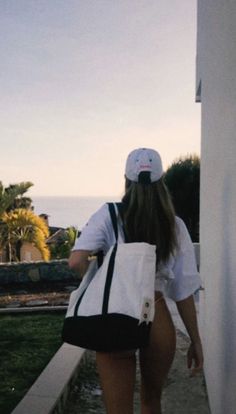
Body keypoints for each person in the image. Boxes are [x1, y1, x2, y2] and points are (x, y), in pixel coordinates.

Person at [69, 148, 204, 414]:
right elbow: (184, 290)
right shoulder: (174, 225)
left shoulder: (109, 215)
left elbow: (76, 261)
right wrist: (196, 340)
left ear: (126, 180)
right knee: (151, 401)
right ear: (161, 181)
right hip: (157, 315)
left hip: (117, 314)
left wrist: (97, 278)